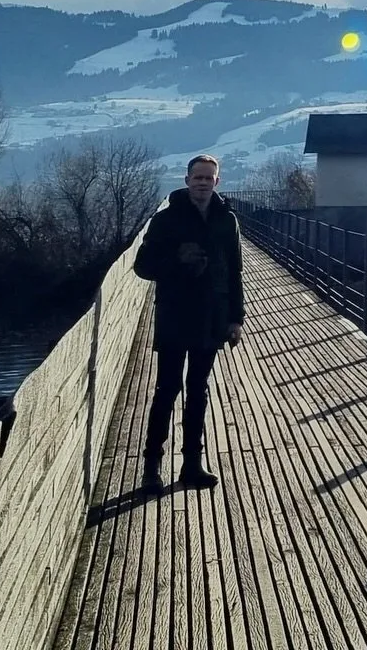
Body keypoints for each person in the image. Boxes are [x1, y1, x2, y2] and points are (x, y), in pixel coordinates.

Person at [132, 153, 244, 493]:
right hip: (175, 315)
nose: (202, 182)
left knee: (198, 391)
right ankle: (152, 466)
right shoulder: (166, 220)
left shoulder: (227, 221)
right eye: (197, 177)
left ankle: (192, 465)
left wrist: (236, 318)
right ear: (186, 180)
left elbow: (236, 272)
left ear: (217, 182)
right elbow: (142, 266)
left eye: (208, 178)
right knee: (167, 390)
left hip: (211, 317)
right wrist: (177, 261)